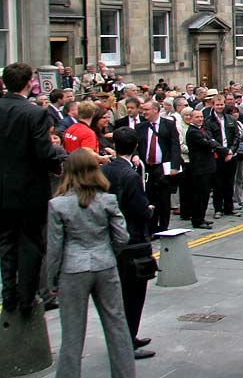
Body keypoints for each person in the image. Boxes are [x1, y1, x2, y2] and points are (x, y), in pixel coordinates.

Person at [46, 149, 135, 377]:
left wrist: (51, 279)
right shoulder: (107, 200)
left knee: (72, 333)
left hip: (72, 269)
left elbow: (54, 247)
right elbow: (122, 237)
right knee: (117, 326)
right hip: (104, 263)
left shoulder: (57, 205)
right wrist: (109, 252)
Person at [0, 62, 64, 317]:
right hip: (29, 191)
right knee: (31, 243)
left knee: (6, 242)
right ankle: (27, 298)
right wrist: (58, 160)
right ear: (29, 83)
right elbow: (43, 152)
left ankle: (9, 294)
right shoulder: (35, 113)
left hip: (3, 191)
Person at [101, 127, 156, 360]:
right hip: (132, 239)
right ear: (135, 147)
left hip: (111, 237)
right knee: (133, 295)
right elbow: (138, 208)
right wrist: (148, 210)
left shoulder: (105, 170)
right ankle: (126, 342)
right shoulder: (130, 175)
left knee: (121, 294)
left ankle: (127, 337)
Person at [135, 100, 180, 234]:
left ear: (155, 110)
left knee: (164, 200)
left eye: (147, 110)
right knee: (150, 198)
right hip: (147, 168)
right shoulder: (140, 127)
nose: (144, 112)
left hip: (163, 167)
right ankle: (151, 228)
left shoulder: (169, 125)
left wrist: (174, 166)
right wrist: (135, 156)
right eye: (143, 110)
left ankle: (164, 227)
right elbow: (136, 145)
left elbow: (175, 145)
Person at [203, 96, 239, 219]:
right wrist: (225, 151)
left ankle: (229, 207)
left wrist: (231, 151)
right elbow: (210, 139)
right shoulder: (208, 121)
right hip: (217, 156)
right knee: (218, 184)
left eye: (222, 104)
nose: (220, 107)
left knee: (229, 183)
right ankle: (218, 209)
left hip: (231, 156)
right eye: (217, 105)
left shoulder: (230, 119)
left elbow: (236, 136)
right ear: (213, 105)